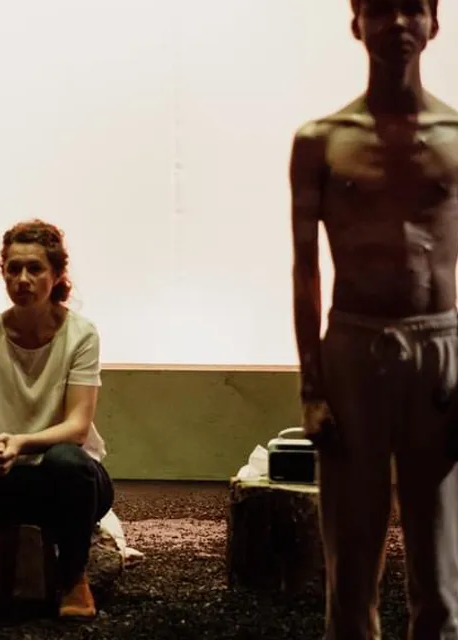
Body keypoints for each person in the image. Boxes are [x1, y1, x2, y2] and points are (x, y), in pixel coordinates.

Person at [290, 1, 458, 638]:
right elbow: (306, 269)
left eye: (411, 8)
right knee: (352, 571)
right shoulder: (321, 140)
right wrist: (311, 388)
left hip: (438, 347)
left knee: (441, 578)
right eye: (380, 8)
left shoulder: (456, 138)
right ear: (357, 21)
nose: (397, 24)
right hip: (353, 345)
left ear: (434, 22)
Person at [0, 219, 113, 619]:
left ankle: (74, 579)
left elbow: (77, 426)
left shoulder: (81, 334)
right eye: (14, 269)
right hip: (5, 475)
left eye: (35, 269)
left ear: (57, 274)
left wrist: (18, 442)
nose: (23, 279)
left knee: (68, 461)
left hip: (65, 483)